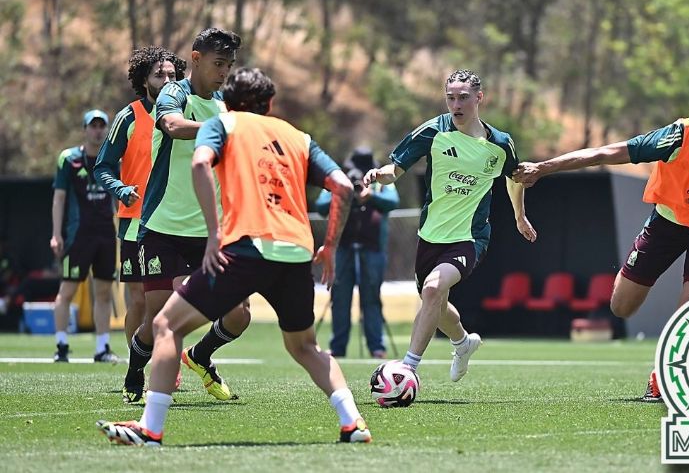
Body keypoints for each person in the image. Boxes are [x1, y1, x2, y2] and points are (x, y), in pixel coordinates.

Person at [97, 67, 371, 446]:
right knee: (305, 347)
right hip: (294, 252)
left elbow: (198, 164)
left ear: (228, 101)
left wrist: (213, 233)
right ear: (270, 104)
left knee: (166, 326)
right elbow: (342, 186)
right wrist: (331, 247)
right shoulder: (297, 137)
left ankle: (151, 428)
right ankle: (353, 422)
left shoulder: (223, 124)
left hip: (244, 249)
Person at [512, 90, 689, 402]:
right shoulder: (673, 138)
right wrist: (544, 167)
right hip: (667, 225)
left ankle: (662, 378)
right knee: (621, 306)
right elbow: (604, 153)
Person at [363, 69, 537, 383]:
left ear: (479, 98)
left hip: (470, 237)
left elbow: (515, 178)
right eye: (450, 98)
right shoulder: (433, 131)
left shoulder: (500, 144)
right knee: (436, 304)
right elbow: (395, 169)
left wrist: (519, 216)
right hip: (430, 234)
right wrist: (379, 175)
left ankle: (408, 368)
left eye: (463, 98)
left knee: (433, 289)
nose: (456, 105)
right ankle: (463, 342)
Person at [135, 28, 247, 402]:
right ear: (196, 59)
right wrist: (221, 130)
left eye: (229, 66)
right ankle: (136, 371)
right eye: (218, 64)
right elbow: (173, 126)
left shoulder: (222, 104)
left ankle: (200, 355)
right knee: (156, 319)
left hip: (208, 231)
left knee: (239, 313)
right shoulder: (174, 93)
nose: (224, 72)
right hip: (163, 227)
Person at [94, 46, 186, 403]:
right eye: (159, 75)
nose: (167, 82)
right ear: (143, 80)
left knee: (174, 298)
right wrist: (121, 188)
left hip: (175, 219)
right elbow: (103, 166)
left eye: (172, 76)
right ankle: (141, 369)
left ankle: (168, 361)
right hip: (135, 222)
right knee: (139, 302)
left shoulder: (184, 113)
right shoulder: (129, 117)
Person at [315, 146, 399, 358]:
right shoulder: (340, 181)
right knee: (340, 297)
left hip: (373, 249)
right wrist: (345, 195)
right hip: (342, 248)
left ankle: (376, 347)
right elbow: (321, 205)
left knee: (371, 298)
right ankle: (338, 347)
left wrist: (370, 197)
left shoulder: (380, 183)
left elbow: (392, 202)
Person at [50, 109, 119, 363]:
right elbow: (59, 197)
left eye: (102, 126)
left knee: (103, 292)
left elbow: (119, 198)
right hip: (77, 236)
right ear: (85, 129)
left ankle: (102, 348)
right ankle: (61, 345)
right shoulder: (69, 159)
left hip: (105, 235)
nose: (98, 130)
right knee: (67, 290)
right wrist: (56, 234)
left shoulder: (113, 160)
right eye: (93, 125)